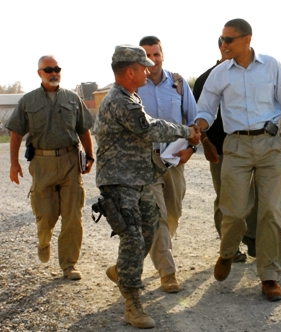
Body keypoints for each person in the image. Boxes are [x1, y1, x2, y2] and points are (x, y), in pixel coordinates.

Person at [195, 18, 281, 302]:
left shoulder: (271, 66)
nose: (224, 45)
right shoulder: (219, 74)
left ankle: (269, 275)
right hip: (236, 146)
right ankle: (227, 251)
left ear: (247, 39)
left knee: (272, 209)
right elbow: (205, 111)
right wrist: (198, 130)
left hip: (270, 144)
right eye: (221, 40)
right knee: (233, 210)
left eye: (229, 40)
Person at [94, 44, 199, 328]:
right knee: (133, 238)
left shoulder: (130, 96)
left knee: (149, 230)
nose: (148, 69)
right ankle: (132, 303)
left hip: (139, 178)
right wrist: (185, 130)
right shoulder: (120, 101)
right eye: (143, 66)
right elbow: (149, 128)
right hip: (119, 182)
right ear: (130, 71)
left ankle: (122, 270)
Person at [6, 55, 94, 280]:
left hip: (70, 162)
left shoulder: (72, 98)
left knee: (73, 215)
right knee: (46, 215)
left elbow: (84, 129)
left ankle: (69, 264)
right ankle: (44, 241)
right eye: (48, 70)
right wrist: (14, 163)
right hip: (42, 164)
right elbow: (16, 132)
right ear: (40, 73)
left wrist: (90, 157)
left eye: (57, 69)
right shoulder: (28, 101)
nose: (54, 73)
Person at [137, 36, 198, 293]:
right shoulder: (133, 87)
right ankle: (167, 273)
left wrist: (191, 149)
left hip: (174, 160)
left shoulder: (179, 84)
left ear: (163, 55)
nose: (152, 61)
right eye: (146, 56)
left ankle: (139, 257)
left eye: (156, 54)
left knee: (173, 214)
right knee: (157, 216)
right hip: (145, 162)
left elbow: (195, 122)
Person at [192, 38, 257, 261]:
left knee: (253, 197)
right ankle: (229, 247)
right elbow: (198, 115)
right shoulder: (205, 79)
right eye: (225, 44)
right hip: (219, 149)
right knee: (225, 199)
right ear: (220, 47)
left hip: (249, 147)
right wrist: (205, 143)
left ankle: (253, 240)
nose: (228, 48)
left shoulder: (248, 75)